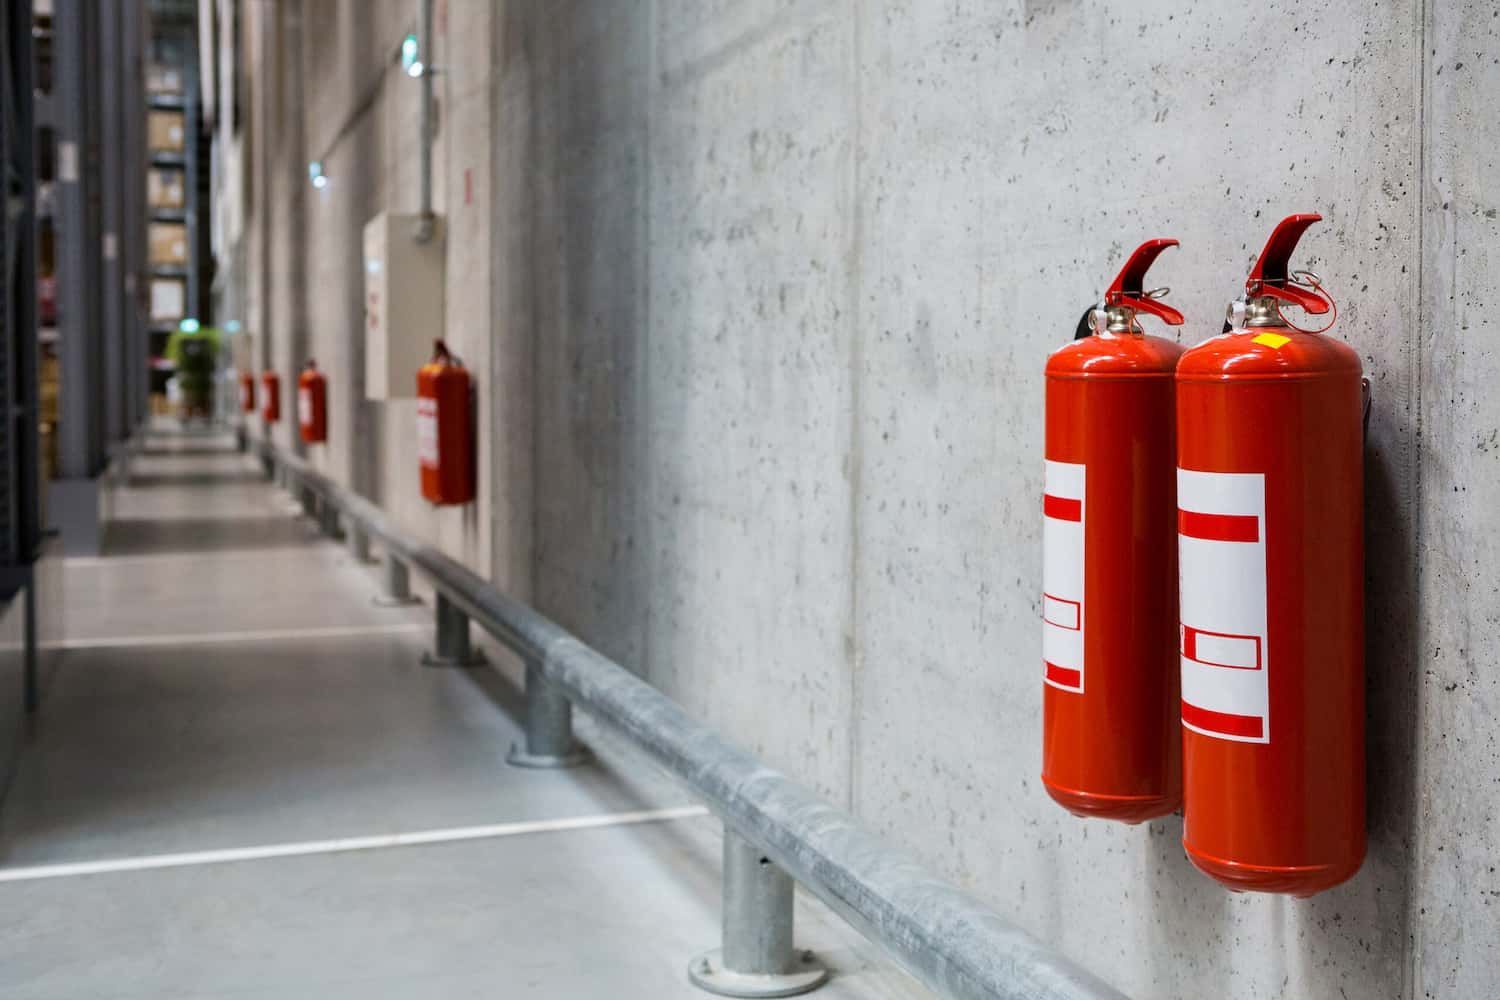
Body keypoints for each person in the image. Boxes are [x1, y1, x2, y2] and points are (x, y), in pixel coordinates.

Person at [164, 323, 221, 423]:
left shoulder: (187, 352)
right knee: (194, 401)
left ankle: (195, 416)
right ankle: (194, 416)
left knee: (196, 401)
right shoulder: (202, 353)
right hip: (196, 383)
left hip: (197, 383)